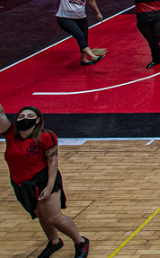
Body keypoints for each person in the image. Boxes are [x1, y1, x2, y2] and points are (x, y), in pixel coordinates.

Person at [2, 104, 91, 258]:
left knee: (53, 217)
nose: (25, 119)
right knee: (40, 214)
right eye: (21, 116)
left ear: (38, 120)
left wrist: (49, 186)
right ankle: (54, 241)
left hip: (43, 179)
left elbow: (52, 161)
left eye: (30, 117)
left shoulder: (45, 136)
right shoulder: (11, 134)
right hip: (21, 183)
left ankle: (80, 241)